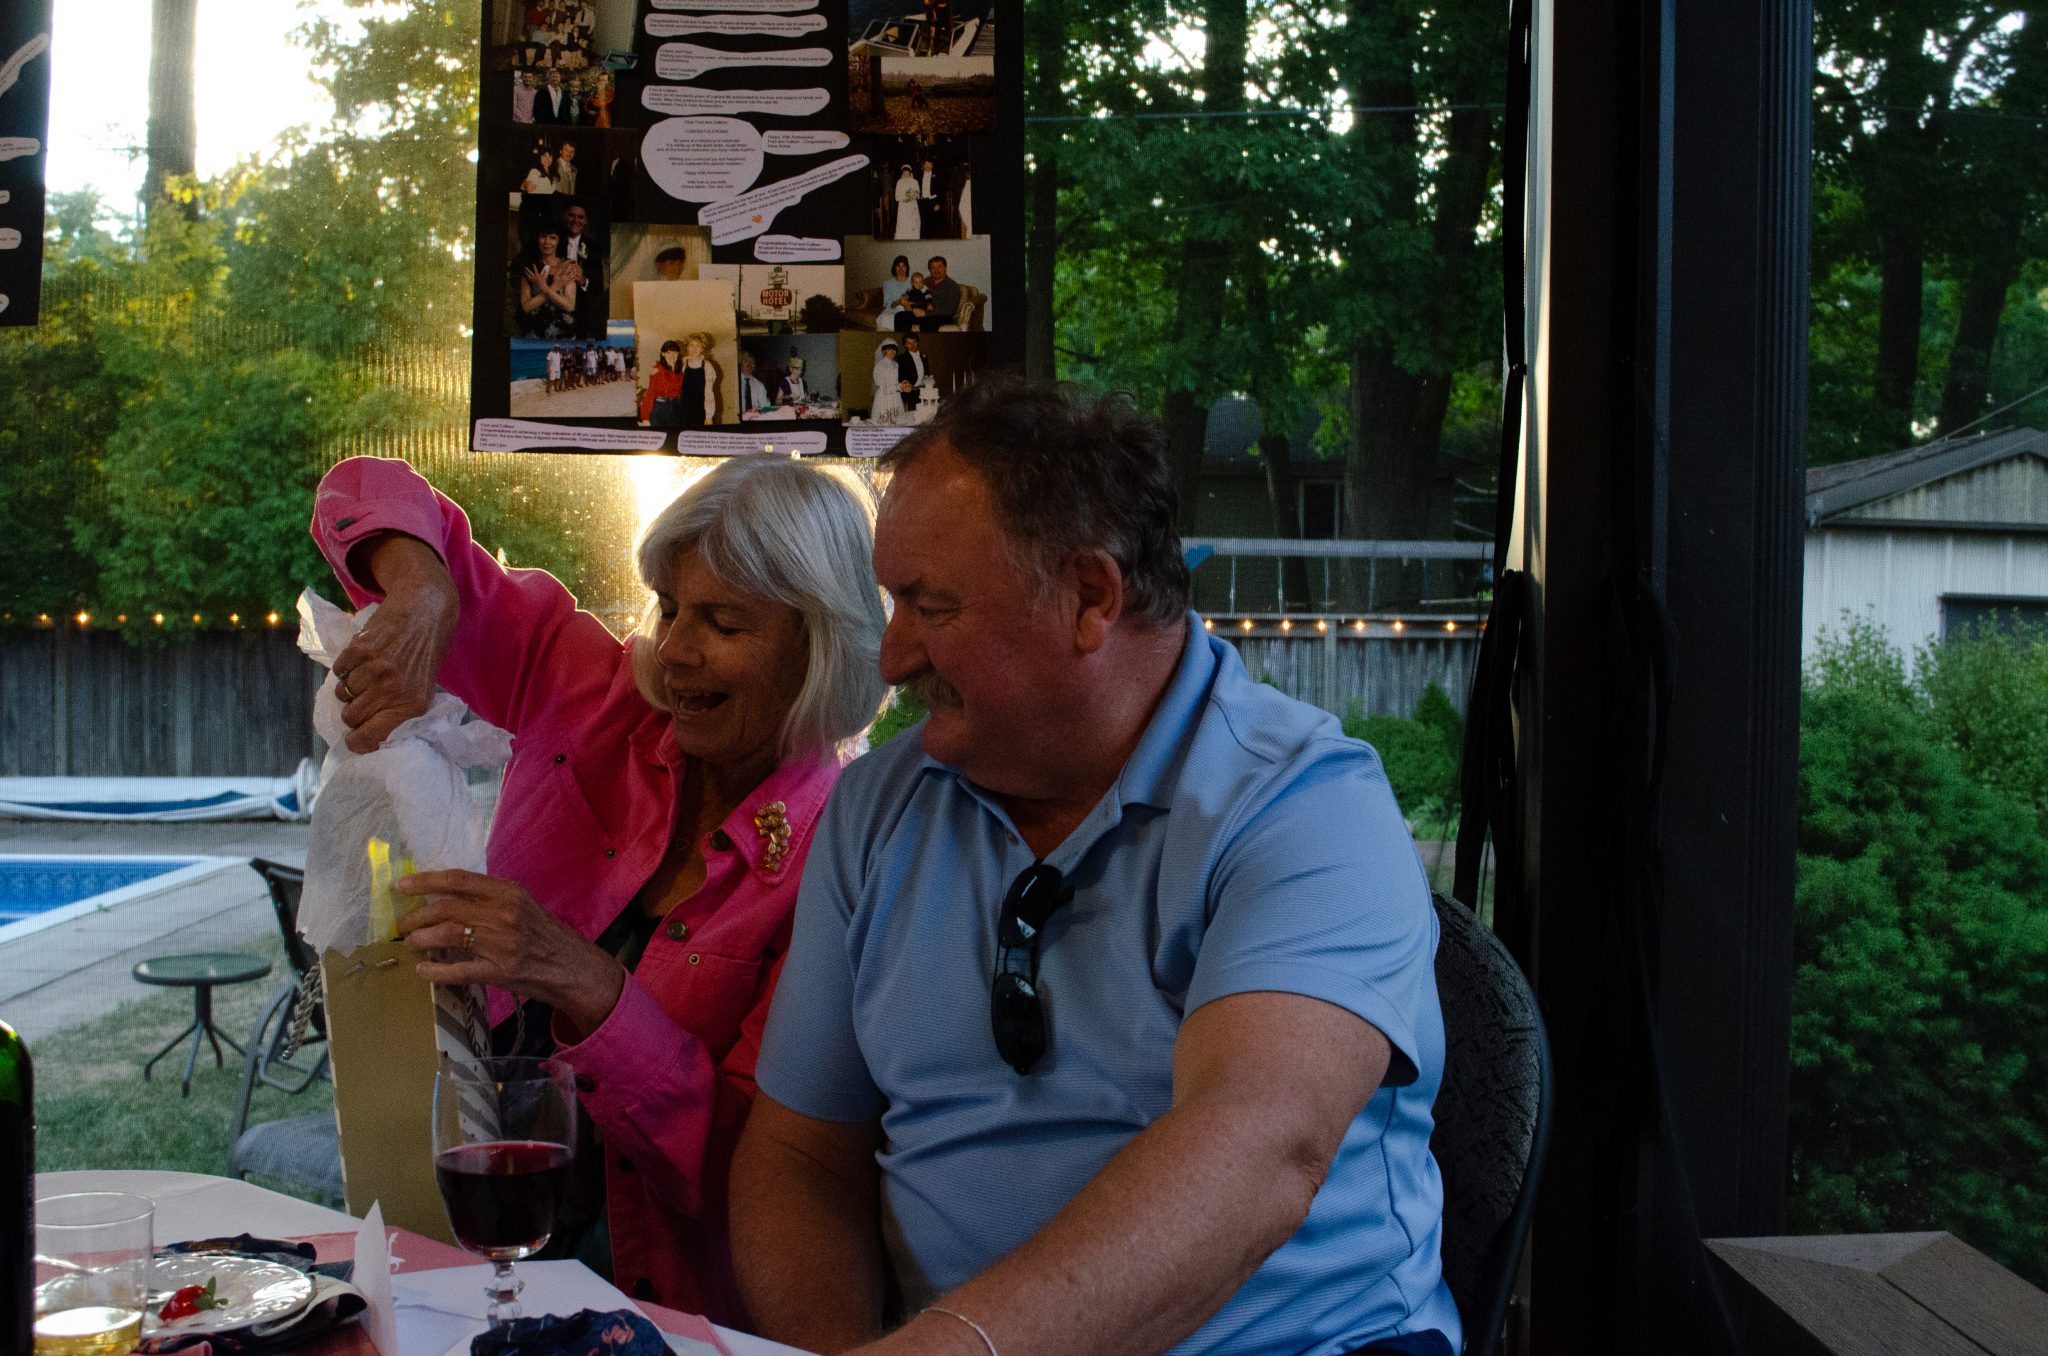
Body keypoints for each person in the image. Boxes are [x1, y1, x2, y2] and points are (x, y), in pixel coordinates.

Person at [730, 378, 1458, 1356]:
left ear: (1089, 597)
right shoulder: (877, 808)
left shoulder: (1308, 806)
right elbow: (801, 1155)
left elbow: (1259, 1151)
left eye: (928, 606)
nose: (892, 656)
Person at [309, 455, 888, 1325]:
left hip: (669, 1308)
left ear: (820, 647)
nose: (676, 650)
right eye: (670, 607)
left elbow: (750, 1173)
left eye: (723, 622)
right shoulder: (593, 689)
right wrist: (425, 589)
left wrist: (585, 982)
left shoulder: (838, 859)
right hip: (468, 1238)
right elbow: (361, 489)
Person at [513, 226, 580, 339]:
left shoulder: (568, 266)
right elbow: (526, 307)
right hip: (534, 332)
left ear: (559, 241)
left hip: (563, 333)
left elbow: (569, 306)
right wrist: (554, 287)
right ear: (537, 239)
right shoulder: (529, 267)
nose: (547, 242)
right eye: (543, 236)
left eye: (553, 238)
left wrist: (544, 288)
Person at [868, 341, 905, 423]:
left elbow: (897, 381)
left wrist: (903, 385)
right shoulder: (879, 365)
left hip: (896, 396)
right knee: (884, 421)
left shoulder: (896, 365)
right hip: (884, 397)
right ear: (884, 351)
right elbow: (882, 385)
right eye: (889, 349)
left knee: (897, 421)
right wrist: (898, 387)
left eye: (894, 350)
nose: (892, 352)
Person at [895, 331, 929, 396]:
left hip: (924, 391)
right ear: (905, 345)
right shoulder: (901, 358)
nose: (912, 345)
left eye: (914, 342)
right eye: (909, 343)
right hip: (909, 392)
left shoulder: (924, 356)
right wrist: (906, 385)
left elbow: (927, 373)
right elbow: (900, 375)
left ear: (918, 342)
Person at [893, 167, 921, 240]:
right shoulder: (899, 182)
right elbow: (896, 196)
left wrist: (911, 197)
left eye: (907, 171)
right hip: (903, 206)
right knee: (903, 223)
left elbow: (918, 194)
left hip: (912, 205)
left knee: (912, 222)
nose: (906, 173)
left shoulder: (915, 182)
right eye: (904, 171)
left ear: (910, 172)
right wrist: (904, 199)